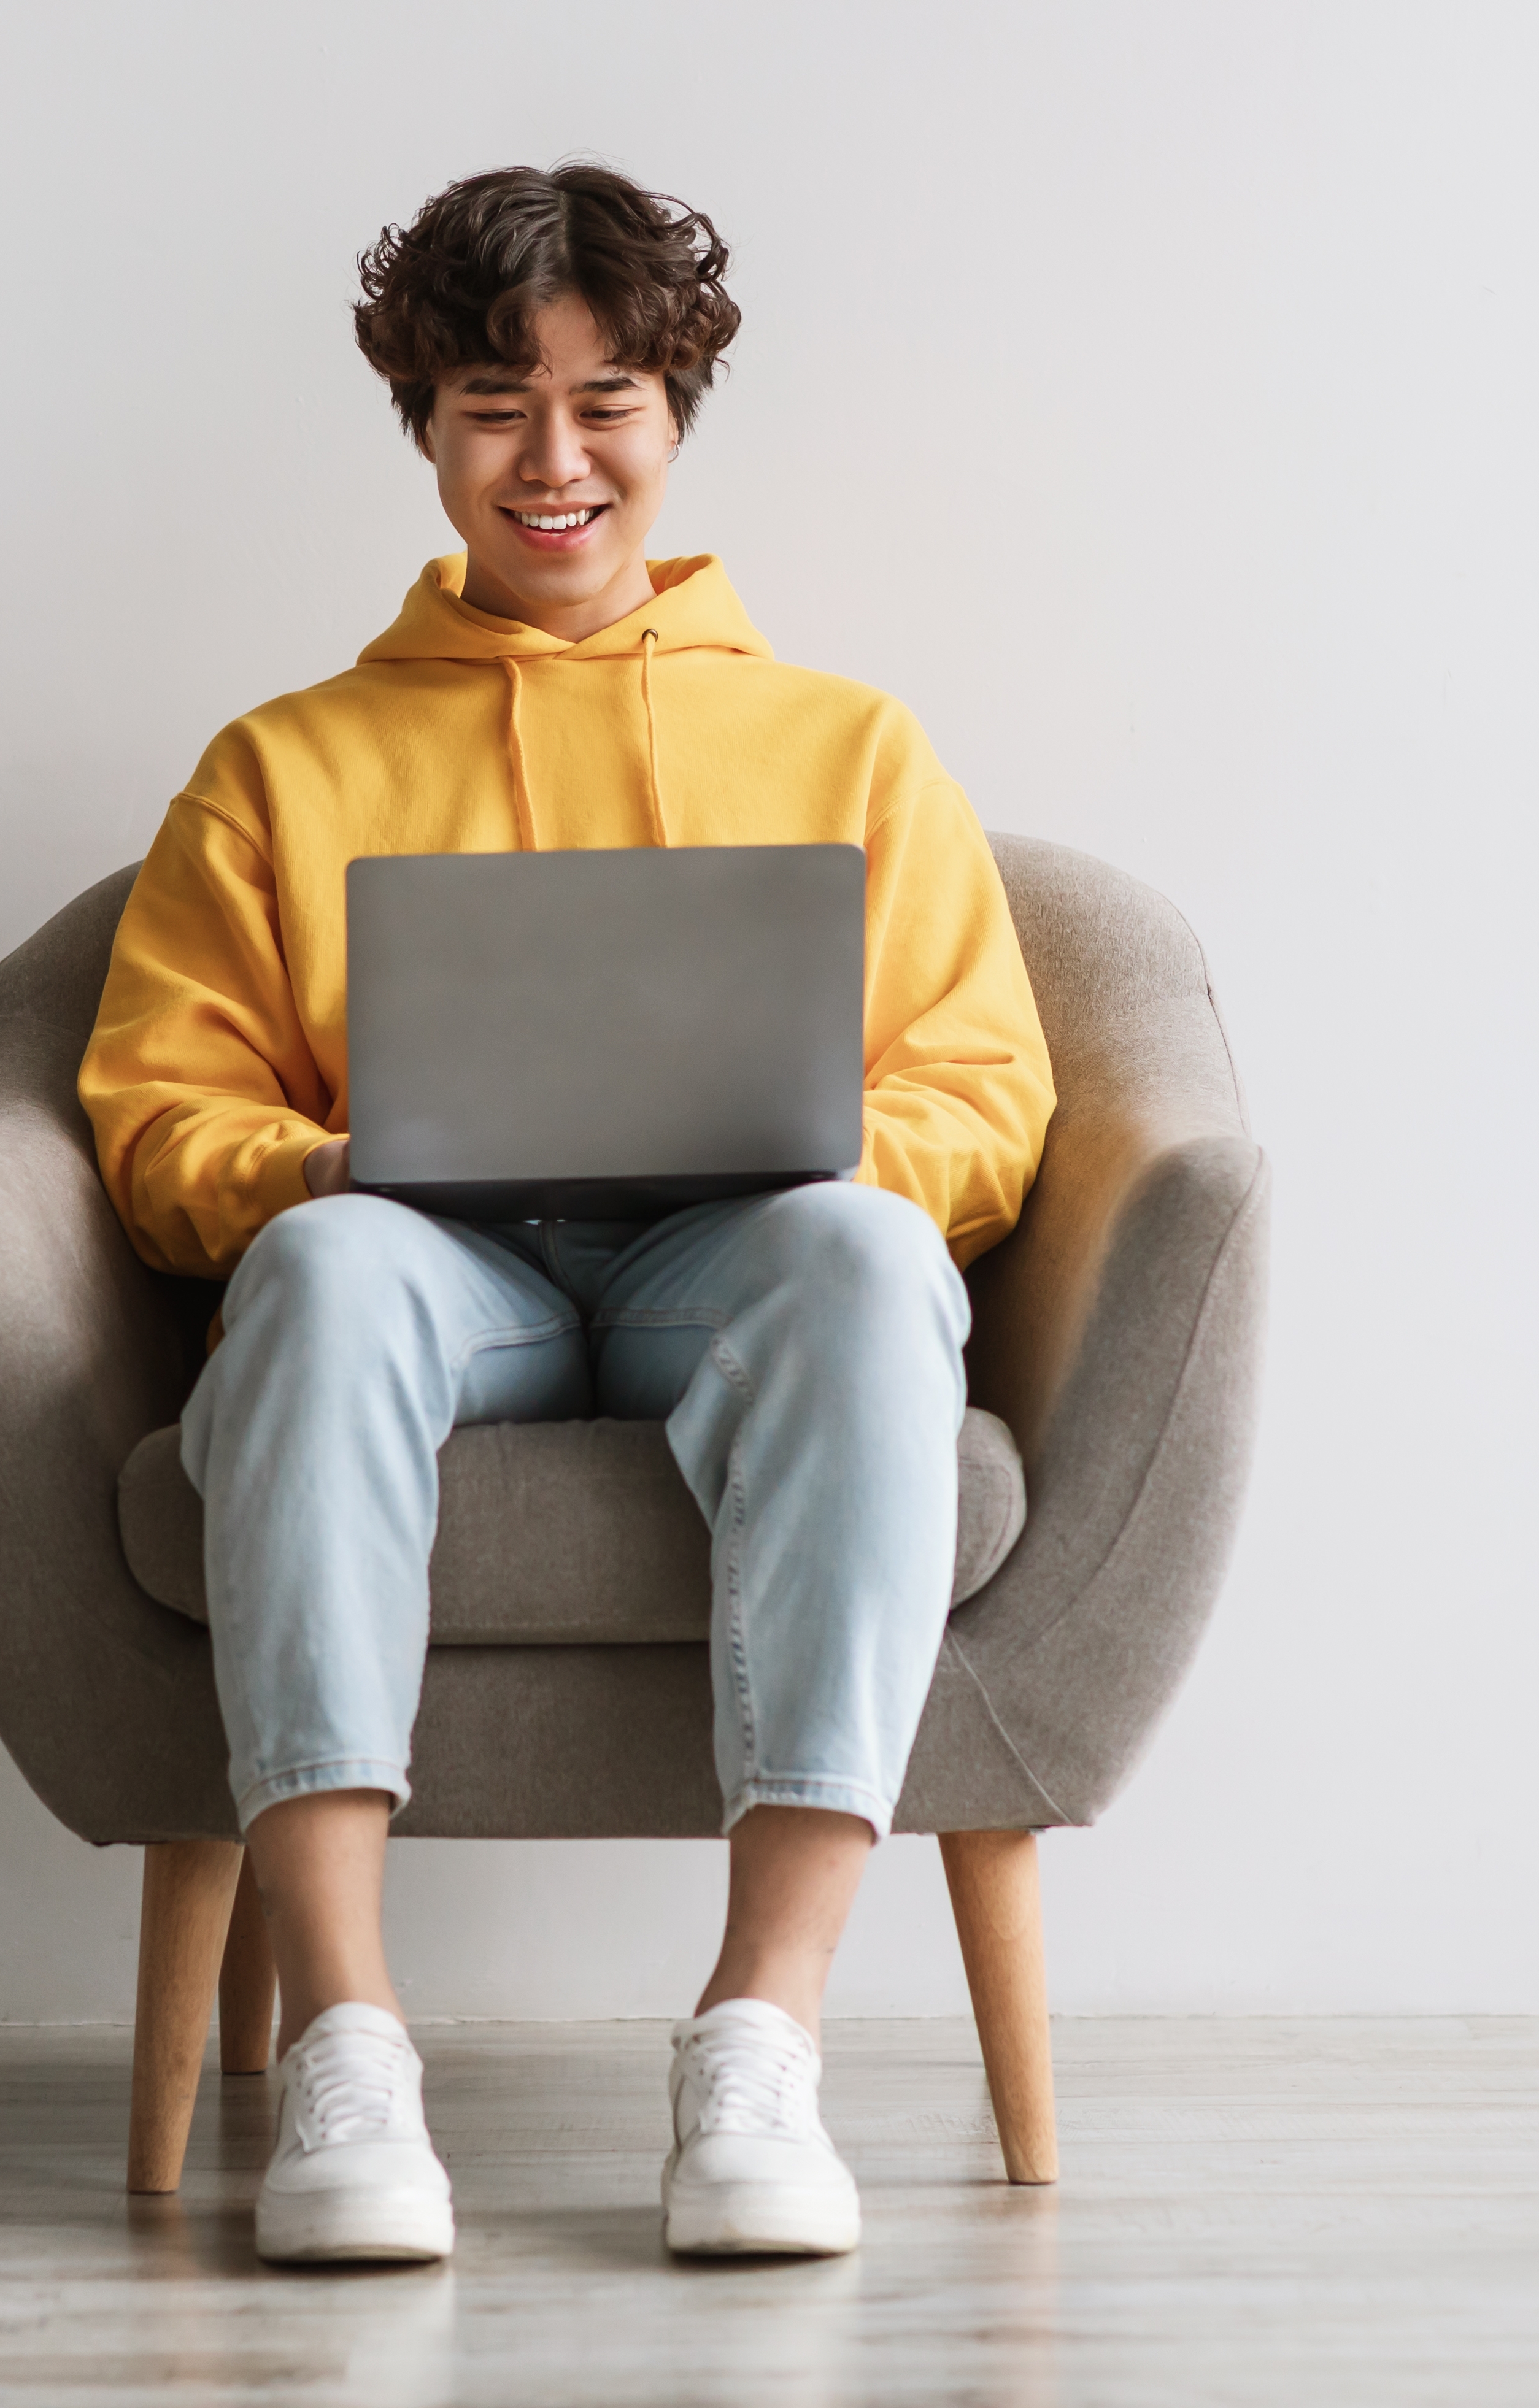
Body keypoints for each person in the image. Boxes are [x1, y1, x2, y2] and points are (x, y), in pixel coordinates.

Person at [77, 163, 1053, 2266]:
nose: (553, 458)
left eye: (607, 401)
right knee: (324, 1272)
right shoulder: (282, 765)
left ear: (674, 421)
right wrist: (321, 1168)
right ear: (424, 427)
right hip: (443, 1270)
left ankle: (760, 2046)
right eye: (494, 404)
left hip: (740, 1266)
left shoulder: (851, 746)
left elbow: (986, 1095)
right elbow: (160, 1115)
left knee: (873, 1256)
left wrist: (812, 1144)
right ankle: (348, 2039)